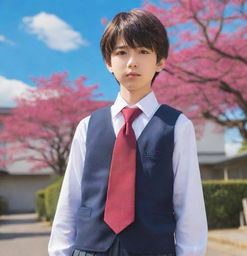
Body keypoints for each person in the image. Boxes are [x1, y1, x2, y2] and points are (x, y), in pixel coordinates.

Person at [48, 8, 208, 256]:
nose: (132, 61)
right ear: (109, 63)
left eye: (143, 51)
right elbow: (71, 198)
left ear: (160, 61)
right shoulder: (87, 126)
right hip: (89, 250)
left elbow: (189, 203)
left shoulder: (177, 126)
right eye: (122, 52)